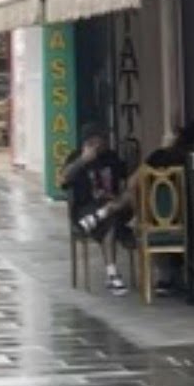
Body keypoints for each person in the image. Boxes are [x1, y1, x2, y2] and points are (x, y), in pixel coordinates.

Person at [63, 126, 134, 294]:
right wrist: (82, 161)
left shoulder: (111, 157)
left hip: (112, 204)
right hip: (86, 209)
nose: (101, 144)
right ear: (87, 142)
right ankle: (112, 274)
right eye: (95, 141)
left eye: (102, 140)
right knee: (111, 222)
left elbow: (128, 176)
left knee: (128, 197)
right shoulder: (76, 157)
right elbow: (64, 179)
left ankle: (103, 213)